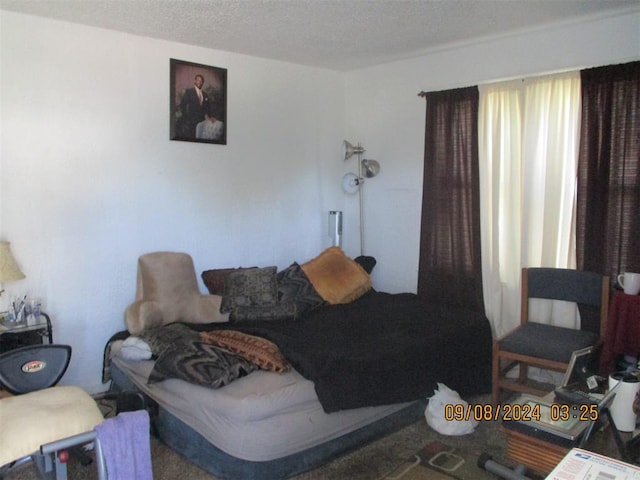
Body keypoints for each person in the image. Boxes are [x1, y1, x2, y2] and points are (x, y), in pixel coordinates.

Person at [177, 74, 211, 139]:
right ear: (195, 81)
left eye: (201, 81)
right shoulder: (189, 92)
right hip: (192, 122)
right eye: (198, 80)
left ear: (203, 82)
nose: (200, 82)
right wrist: (186, 117)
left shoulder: (205, 94)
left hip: (203, 122)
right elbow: (182, 104)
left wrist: (209, 117)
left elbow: (207, 107)